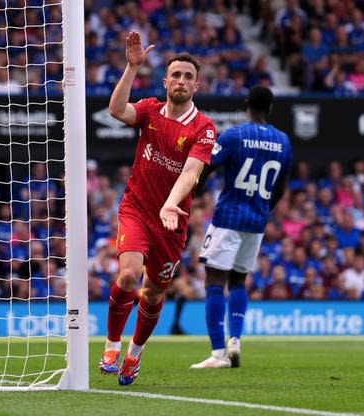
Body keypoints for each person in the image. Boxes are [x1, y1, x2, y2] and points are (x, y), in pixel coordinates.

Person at [99, 30, 217, 386]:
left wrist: (169, 204)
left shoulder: (204, 128)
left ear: (196, 86)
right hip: (136, 208)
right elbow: (116, 110)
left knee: (153, 292)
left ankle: (134, 355)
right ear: (165, 81)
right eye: (176, 75)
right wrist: (132, 67)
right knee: (129, 275)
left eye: (188, 77)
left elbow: (192, 172)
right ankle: (111, 345)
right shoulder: (150, 110)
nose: (181, 81)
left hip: (172, 222)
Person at [163, 86, 292, 368]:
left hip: (229, 218)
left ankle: (218, 353)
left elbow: (206, 166)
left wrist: (195, 195)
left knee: (214, 283)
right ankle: (236, 339)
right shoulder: (283, 141)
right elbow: (281, 188)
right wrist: (263, 211)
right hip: (256, 222)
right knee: (238, 281)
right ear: (270, 109)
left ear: (246, 104)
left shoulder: (234, 135)